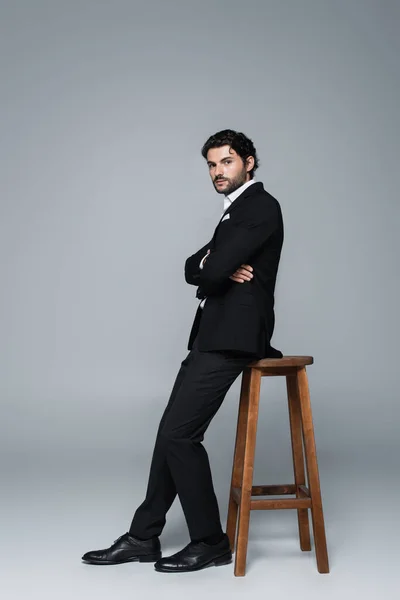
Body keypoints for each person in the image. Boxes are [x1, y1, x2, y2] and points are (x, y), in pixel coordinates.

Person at [81, 129, 284, 573]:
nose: (217, 172)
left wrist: (215, 266)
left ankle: (210, 541)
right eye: (212, 165)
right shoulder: (234, 213)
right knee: (168, 433)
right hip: (211, 335)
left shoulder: (260, 207)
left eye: (226, 162)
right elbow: (194, 267)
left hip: (233, 338)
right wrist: (215, 263)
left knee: (179, 435)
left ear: (249, 162)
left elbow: (209, 275)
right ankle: (143, 536)